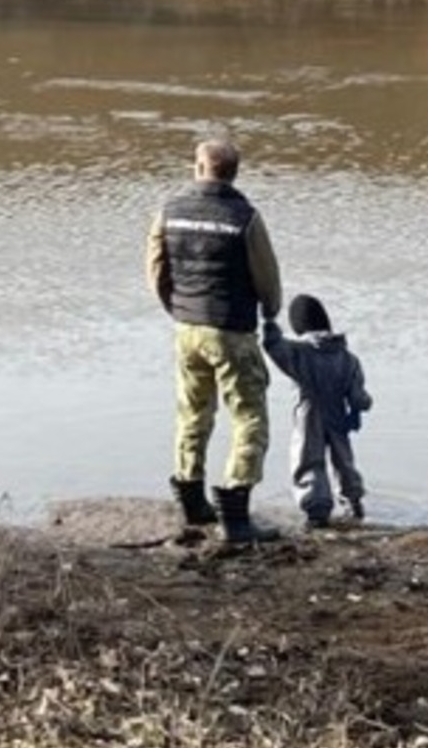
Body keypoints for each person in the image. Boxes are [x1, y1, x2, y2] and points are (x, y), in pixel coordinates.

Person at [147, 138, 283, 544]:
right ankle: (236, 514)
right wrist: (271, 312)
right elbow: (268, 280)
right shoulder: (245, 218)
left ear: (199, 167)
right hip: (232, 330)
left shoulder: (168, 211)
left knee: (192, 412)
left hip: (186, 327)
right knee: (250, 417)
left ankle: (192, 500)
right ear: (234, 172)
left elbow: (156, 269)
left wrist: (176, 307)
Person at [262, 293, 372, 530]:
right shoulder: (348, 358)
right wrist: (360, 407)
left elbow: (274, 347)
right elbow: (358, 396)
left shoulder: (299, 352)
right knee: (344, 458)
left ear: (299, 327)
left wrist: (270, 324)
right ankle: (353, 500)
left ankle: (317, 508)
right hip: (338, 413)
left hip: (308, 412)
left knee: (308, 458)